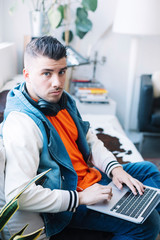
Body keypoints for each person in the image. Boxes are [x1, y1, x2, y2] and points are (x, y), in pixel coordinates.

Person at [2, 36, 160, 240]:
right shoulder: (22, 125)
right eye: (47, 73)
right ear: (27, 75)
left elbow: (89, 138)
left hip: (91, 178)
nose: (57, 83)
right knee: (148, 224)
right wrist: (82, 198)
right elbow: (19, 196)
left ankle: (137, 210)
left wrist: (115, 169)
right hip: (72, 198)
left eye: (61, 72)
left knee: (147, 170)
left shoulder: (62, 100)